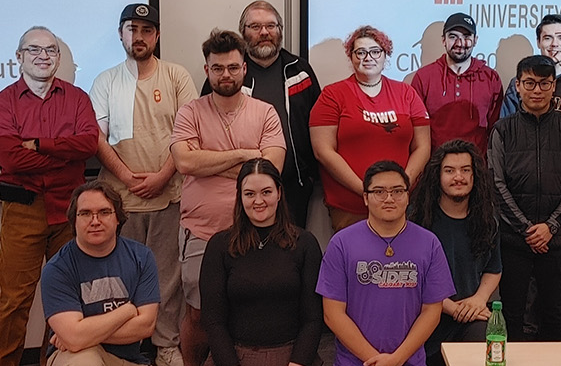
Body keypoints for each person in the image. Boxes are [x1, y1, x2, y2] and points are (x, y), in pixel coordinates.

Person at [0, 26, 102, 366]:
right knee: (14, 299)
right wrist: (63, 156)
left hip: (70, 211)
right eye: (34, 50)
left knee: (66, 298)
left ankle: (53, 362)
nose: (43, 56)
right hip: (23, 208)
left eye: (51, 50)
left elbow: (88, 144)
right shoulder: (3, 103)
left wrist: (38, 144)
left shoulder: (78, 99)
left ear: (59, 58)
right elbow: (10, 158)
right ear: (19, 57)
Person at [172, 29, 288, 366]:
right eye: (218, 68)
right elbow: (184, 162)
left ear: (244, 68)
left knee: (247, 310)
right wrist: (245, 156)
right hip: (202, 231)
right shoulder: (190, 112)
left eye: (233, 67)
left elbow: (270, 172)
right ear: (206, 70)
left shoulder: (265, 112)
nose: (226, 75)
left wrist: (209, 161)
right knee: (199, 315)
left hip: (256, 233)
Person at [90, 3, 195, 366]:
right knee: (121, 279)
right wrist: (125, 177)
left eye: (146, 30)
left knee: (169, 278)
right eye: (131, 29)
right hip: (120, 201)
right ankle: (128, 349)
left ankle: (166, 346)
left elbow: (188, 133)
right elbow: (98, 138)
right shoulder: (105, 80)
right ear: (120, 34)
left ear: (157, 35)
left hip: (170, 196)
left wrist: (163, 176)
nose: (139, 37)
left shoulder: (177, 76)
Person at [487, 55, 561, 342]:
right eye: (529, 83)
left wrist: (550, 227)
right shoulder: (502, 130)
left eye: (544, 83)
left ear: (554, 86)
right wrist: (527, 229)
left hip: (555, 241)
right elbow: (496, 184)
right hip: (514, 241)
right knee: (513, 315)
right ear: (518, 86)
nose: (537, 90)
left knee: (555, 315)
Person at [318, 161, 456, 366]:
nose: (389, 198)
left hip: (409, 361)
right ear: (365, 198)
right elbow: (332, 314)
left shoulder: (429, 243)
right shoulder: (341, 243)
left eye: (397, 191)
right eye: (379, 191)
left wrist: (397, 359)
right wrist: (374, 360)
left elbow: (432, 312)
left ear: (408, 196)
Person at [203, 1, 323, 228]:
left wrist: (311, 176)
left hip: (293, 188)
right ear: (243, 32)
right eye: (255, 27)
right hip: (239, 188)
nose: (265, 32)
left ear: (280, 31)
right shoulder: (229, 74)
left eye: (271, 26)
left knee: (290, 253)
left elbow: (318, 125)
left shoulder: (300, 71)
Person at [199, 159, 323, 366]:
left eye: (266, 192)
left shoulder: (305, 243)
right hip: (232, 357)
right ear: (240, 196)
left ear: (279, 193)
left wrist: (297, 363)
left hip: (293, 357)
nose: (259, 201)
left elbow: (313, 318)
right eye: (250, 194)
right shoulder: (219, 246)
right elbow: (213, 320)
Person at [311, 26, 432, 232]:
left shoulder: (407, 93)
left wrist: (399, 189)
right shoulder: (332, 95)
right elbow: (323, 151)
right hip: (351, 207)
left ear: (386, 56)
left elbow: (423, 147)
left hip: (401, 206)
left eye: (375, 51)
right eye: (360, 52)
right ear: (351, 57)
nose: (368, 57)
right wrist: (367, 191)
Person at [40, 181, 162, 366]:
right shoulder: (57, 268)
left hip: (129, 360)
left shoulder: (141, 257)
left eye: (104, 212)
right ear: (74, 220)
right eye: (86, 213)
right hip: (77, 355)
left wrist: (82, 332)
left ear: (118, 218)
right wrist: (127, 311)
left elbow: (145, 326)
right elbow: (75, 340)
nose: (95, 221)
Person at [406, 140, 502, 366]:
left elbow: (493, 269)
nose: (458, 177)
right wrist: (449, 307)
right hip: (423, 316)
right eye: (449, 171)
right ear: (437, 176)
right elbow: (411, 276)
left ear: (474, 175)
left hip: (470, 314)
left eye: (465, 170)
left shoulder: (488, 219)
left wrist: (479, 300)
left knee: (487, 344)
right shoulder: (417, 220)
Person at [409, 12, 502, 152]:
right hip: (435, 168)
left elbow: (495, 130)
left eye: (466, 36)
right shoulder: (424, 77)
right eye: (453, 37)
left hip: (476, 168)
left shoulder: (490, 78)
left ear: (475, 40)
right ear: (443, 40)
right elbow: (416, 133)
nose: (460, 43)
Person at [500, 14, 561, 117]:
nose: (554, 44)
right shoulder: (522, 82)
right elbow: (505, 126)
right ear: (538, 42)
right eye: (547, 38)